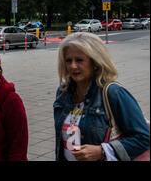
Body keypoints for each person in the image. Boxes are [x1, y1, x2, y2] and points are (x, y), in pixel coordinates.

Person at [54, 32, 150, 161]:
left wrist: (102, 151)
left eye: (79, 60)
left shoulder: (114, 93)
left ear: (95, 62)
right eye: (68, 60)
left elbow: (144, 138)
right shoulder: (63, 92)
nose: (73, 66)